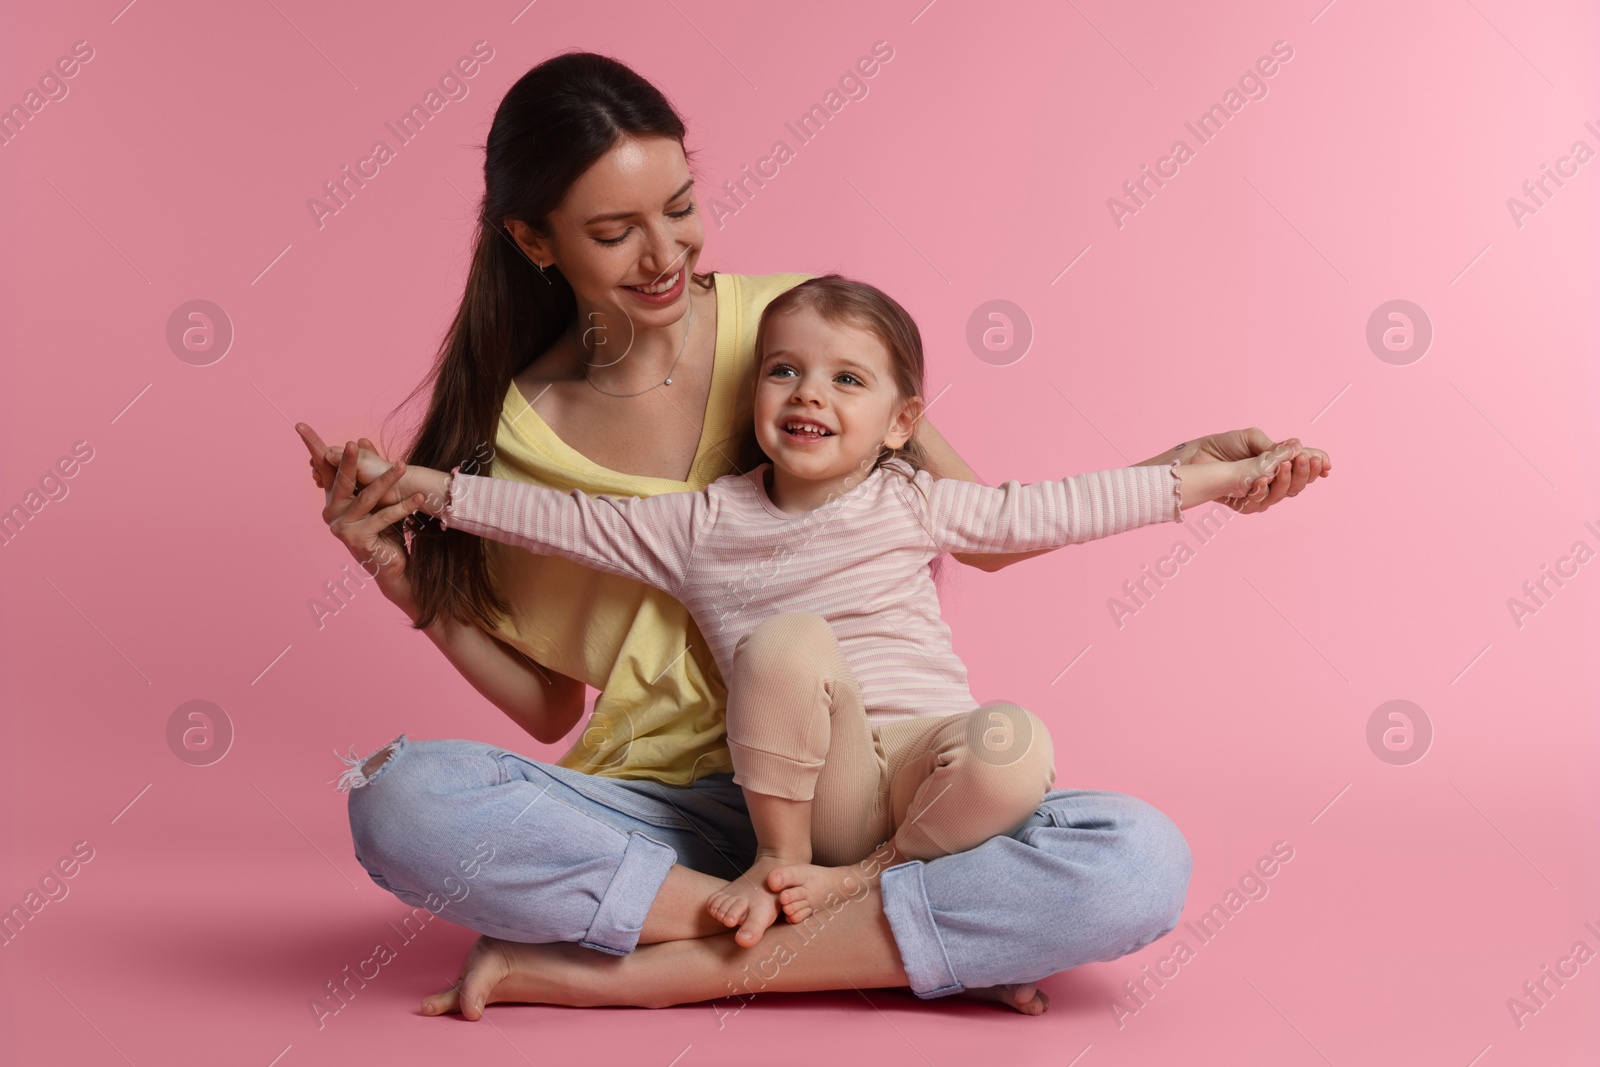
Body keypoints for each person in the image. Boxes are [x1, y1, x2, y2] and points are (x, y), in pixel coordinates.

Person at [297, 50, 1331, 1019]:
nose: (665, 255)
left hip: (899, 794)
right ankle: (908, 938)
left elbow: (1004, 521)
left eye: (683, 208)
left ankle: (667, 966)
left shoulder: (797, 323)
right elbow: (548, 698)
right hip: (683, 809)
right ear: (534, 240)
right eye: (614, 233)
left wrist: (1183, 470)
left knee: (1137, 857)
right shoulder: (532, 444)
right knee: (403, 797)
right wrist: (404, 567)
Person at [324, 273, 1309, 950]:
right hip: (806, 796)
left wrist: (1205, 481)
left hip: (928, 781)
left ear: (901, 422)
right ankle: (798, 873)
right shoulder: (699, 523)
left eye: (848, 379)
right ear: (755, 390)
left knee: (1017, 739)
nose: (809, 395)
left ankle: (852, 886)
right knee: (787, 643)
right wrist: (417, 486)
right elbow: (559, 518)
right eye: (785, 369)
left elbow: (1047, 506)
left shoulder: (916, 498)